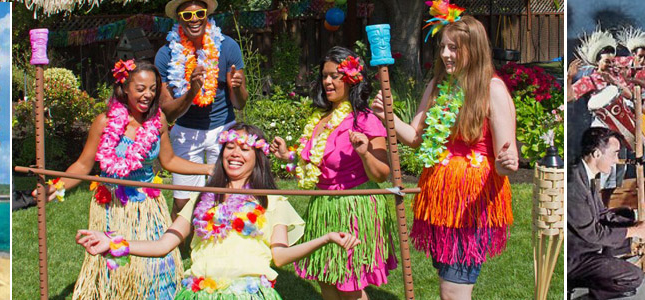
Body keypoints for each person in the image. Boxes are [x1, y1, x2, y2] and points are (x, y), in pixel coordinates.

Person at [74, 124, 361, 299]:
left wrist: (325, 238)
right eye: (230, 147)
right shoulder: (202, 199)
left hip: (249, 294)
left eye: (244, 149)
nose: (235, 153)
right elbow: (164, 245)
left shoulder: (271, 201)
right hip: (200, 293)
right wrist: (114, 243)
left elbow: (281, 256)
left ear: (257, 157)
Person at [374, 3, 518, 298]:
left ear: (473, 49)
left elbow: (505, 162)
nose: (445, 54)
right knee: (448, 285)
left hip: (471, 206)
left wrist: (508, 161)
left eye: (454, 48)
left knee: (453, 291)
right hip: (440, 203)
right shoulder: (439, 85)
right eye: (443, 46)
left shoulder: (492, 90)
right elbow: (415, 136)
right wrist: (387, 113)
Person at [37, 60, 214, 300]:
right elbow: (82, 165)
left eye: (152, 89)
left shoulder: (158, 120)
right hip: (112, 208)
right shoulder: (105, 122)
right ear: (125, 87)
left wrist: (207, 168)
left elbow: (169, 160)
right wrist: (55, 187)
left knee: (153, 267)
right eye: (141, 89)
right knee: (116, 268)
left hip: (148, 207)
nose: (148, 95)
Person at [269, 46, 395, 299]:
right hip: (323, 206)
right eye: (324, 75)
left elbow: (382, 174)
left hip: (354, 209)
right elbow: (318, 165)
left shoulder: (366, 120)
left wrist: (365, 153)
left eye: (335, 75)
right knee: (326, 278)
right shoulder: (319, 118)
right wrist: (289, 157)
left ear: (350, 79)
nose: (327, 81)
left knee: (348, 285)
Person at [156, 0, 251, 218]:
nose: (194, 19)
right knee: (183, 202)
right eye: (187, 15)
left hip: (223, 128)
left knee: (227, 196)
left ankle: (223, 244)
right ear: (179, 18)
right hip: (185, 131)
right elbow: (168, 114)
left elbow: (240, 103)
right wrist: (191, 92)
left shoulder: (227, 46)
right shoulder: (166, 53)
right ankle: (179, 249)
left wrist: (236, 88)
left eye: (199, 13)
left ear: (206, 14)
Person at [567, 127, 645, 300]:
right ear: (597, 154)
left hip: (585, 242)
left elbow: (602, 214)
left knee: (626, 215)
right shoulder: (573, 184)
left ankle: (603, 266)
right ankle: (588, 288)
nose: (616, 160)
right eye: (614, 153)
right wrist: (636, 232)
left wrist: (640, 226)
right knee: (633, 276)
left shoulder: (585, 173)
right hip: (573, 258)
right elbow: (593, 232)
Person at [567, 28, 633, 203]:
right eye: (606, 62)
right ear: (597, 63)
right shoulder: (591, 80)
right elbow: (569, 96)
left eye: (612, 61)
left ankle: (606, 206)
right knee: (602, 169)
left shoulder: (617, 77)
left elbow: (630, 95)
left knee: (617, 170)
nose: (611, 64)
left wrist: (615, 82)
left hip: (621, 128)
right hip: (602, 128)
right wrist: (569, 78)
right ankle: (595, 207)